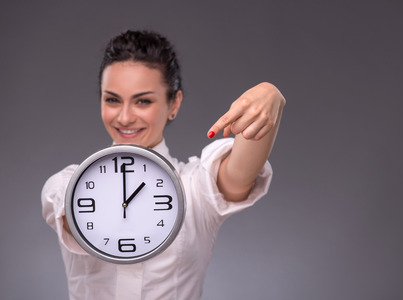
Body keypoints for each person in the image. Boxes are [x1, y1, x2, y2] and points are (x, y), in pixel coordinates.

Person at [41, 30, 285, 300]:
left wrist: (270, 95)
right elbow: (71, 221)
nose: (124, 117)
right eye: (112, 99)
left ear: (174, 104)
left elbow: (241, 174)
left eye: (143, 101)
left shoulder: (196, 189)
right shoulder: (66, 185)